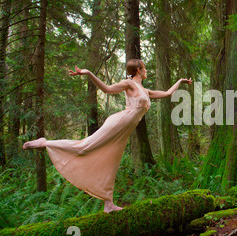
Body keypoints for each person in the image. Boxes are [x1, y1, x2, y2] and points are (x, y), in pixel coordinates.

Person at [23, 59, 192, 213]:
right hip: (118, 123)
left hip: (123, 132)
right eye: (144, 68)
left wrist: (181, 81)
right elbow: (108, 89)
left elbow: (168, 93)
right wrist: (88, 73)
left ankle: (108, 203)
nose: (146, 70)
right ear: (139, 70)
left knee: (111, 162)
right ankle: (45, 143)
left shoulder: (145, 90)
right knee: (84, 147)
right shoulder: (129, 83)